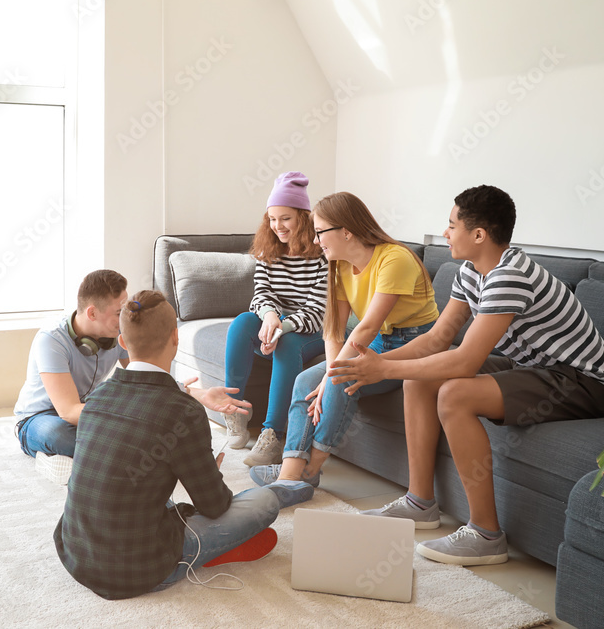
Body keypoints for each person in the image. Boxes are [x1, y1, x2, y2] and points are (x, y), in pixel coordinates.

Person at [328, 185, 604, 566]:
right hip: (532, 367)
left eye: (451, 225)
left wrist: (383, 366)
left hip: (581, 381)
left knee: (454, 394)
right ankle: (420, 502)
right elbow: (438, 338)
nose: (445, 233)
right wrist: (376, 364)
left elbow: (464, 362)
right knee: (419, 378)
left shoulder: (510, 276)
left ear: (478, 235)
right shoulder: (471, 270)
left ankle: (485, 535)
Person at [55, 290, 301, 600]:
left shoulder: (96, 398)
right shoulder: (183, 411)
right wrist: (209, 473)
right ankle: (201, 552)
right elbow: (214, 506)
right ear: (176, 338)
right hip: (140, 569)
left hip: (76, 555)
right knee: (265, 502)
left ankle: (200, 542)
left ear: (121, 341)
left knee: (134, 490)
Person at [248, 192, 439, 503]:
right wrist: (325, 375)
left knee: (339, 379)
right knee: (306, 381)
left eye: (320, 231)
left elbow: (367, 326)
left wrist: (332, 375)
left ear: (346, 231)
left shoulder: (395, 258)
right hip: (376, 342)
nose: (315, 238)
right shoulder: (337, 265)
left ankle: (309, 472)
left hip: (416, 343)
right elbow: (334, 327)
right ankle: (289, 472)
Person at [223, 171, 328, 467]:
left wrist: (279, 327)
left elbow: (316, 312)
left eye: (285, 218)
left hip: (310, 330)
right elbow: (261, 293)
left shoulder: (323, 257)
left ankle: (272, 433)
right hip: (277, 321)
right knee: (243, 323)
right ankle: (235, 409)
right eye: (272, 218)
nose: (277, 226)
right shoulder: (267, 251)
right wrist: (269, 316)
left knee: (289, 343)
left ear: (303, 218)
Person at [13, 269, 130, 458]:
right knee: (58, 435)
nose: (124, 318)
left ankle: (98, 452)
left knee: (110, 438)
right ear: (92, 313)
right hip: (40, 418)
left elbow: (144, 374)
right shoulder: (51, 339)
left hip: (83, 409)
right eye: (118, 312)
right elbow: (68, 411)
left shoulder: (119, 333)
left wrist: (182, 390)